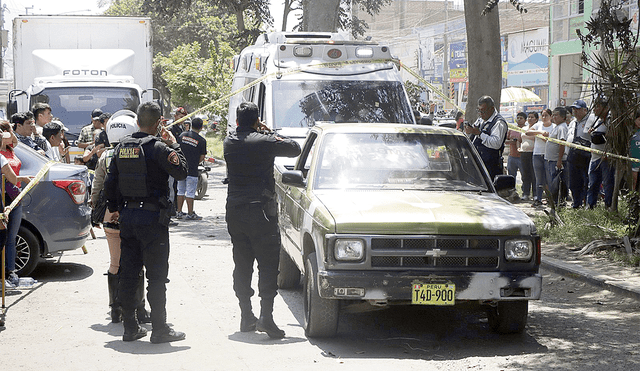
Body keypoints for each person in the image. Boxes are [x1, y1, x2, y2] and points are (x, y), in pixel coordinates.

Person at [104, 101, 188, 343]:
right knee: (157, 277)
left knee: (128, 273)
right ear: (159, 122)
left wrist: (115, 209)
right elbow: (182, 171)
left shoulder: (121, 148)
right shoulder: (160, 148)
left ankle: (130, 327)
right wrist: (173, 144)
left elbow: (111, 184)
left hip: (128, 218)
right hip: (153, 220)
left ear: (137, 123)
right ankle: (160, 329)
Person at [224, 102, 301, 339]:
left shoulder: (229, 141)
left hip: (235, 211)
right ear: (257, 120)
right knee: (267, 265)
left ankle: (246, 315)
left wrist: (258, 130)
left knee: (242, 261)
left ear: (237, 121)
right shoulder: (265, 141)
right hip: (261, 212)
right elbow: (295, 148)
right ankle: (266, 316)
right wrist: (268, 132)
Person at [91, 110, 150, 325]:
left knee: (115, 263)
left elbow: (97, 187)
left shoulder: (105, 156)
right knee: (137, 264)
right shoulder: (137, 152)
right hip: (134, 213)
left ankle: (115, 310)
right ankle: (140, 309)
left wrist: (94, 210)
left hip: (110, 215)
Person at [0, 121, 31, 287]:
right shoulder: (0, 154)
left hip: (15, 197)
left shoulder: (10, 150)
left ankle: (11, 271)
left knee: (12, 236)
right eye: (8, 131)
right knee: (3, 237)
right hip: (4, 197)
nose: (11, 134)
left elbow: (16, 141)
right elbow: (8, 177)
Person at [464, 95, 508, 181]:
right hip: (478, 163)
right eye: (479, 111)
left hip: (491, 165)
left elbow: (496, 144)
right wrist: (470, 131)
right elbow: (474, 131)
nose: (480, 114)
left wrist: (479, 134)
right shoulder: (481, 119)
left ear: (491, 109)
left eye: (483, 111)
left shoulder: (498, 123)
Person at [585, 98, 614, 209]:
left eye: (598, 107)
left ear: (606, 108)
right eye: (595, 106)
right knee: (592, 183)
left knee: (607, 183)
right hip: (594, 157)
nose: (595, 109)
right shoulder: (596, 120)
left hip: (606, 158)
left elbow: (613, 139)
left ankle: (608, 205)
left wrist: (608, 152)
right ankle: (590, 205)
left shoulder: (610, 121)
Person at [176, 116, 207, 220]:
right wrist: (194, 162)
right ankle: (190, 213)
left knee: (180, 190)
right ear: (201, 127)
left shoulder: (182, 135)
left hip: (181, 168)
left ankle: (179, 212)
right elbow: (202, 157)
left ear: (191, 125)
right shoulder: (201, 140)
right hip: (192, 170)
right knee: (190, 192)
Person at [566, 99, 592, 208]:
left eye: (578, 109)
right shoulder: (573, 122)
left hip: (585, 155)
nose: (575, 111)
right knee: (573, 181)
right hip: (572, 155)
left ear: (585, 110)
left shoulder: (591, 121)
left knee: (585, 181)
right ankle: (576, 203)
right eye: (573, 109)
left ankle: (586, 203)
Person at [526, 109, 554, 207]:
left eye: (546, 115)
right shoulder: (538, 125)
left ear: (551, 116)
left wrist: (545, 137)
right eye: (543, 115)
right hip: (537, 154)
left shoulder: (554, 127)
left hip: (548, 155)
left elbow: (552, 141)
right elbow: (528, 133)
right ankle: (538, 198)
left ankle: (550, 199)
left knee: (549, 178)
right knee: (539, 178)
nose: (544, 117)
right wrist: (540, 132)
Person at [544, 107, 569, 205]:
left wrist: (559, 160)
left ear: (563, 117)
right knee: (552, 182)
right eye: (553, 115)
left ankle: (559, 202)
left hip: (556, 161)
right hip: (551, 160)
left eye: (556, 115)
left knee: (558, 183)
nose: (553, 117)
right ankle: (554, 202)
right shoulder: (557, 127)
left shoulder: (562, 127)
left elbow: (561, 144)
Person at [519, 112, 537, 201]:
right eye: (529, 117)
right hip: (524, 153)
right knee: (525, 174)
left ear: (536, 119)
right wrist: (519, 147)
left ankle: (535, 194)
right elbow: (519, 139)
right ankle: (525, 193)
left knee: (534, 174)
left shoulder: (538, 128)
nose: (530, 119)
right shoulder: (524, 128)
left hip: (533, 153)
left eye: (532, 117)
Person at [507, 112, 525, 195]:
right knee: (511, 176)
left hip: (522, 157)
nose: (519, 120)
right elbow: (505, 141)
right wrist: (512, 141)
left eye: (521, 118)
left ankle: (525, 192)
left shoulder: (527, 129)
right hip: (512, 156)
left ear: (525, 120)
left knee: (524, 176)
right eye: (517, 118)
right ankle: (512, 192)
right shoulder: (512, 129)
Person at [630, 109, 640, 191]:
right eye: (639, 119)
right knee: (633, 182)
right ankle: (632, 197)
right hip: (633, 163)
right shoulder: (630, 132)